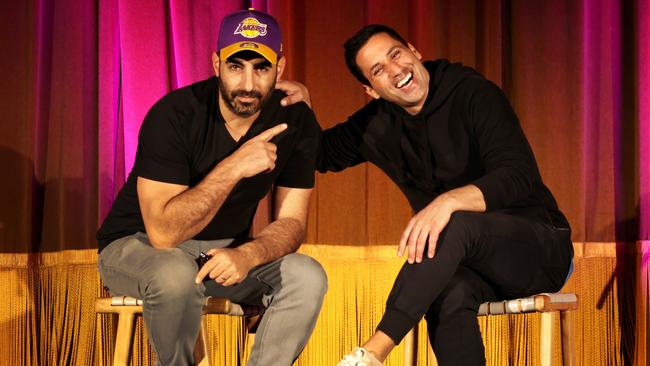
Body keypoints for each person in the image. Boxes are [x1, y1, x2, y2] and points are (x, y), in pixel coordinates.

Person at [280, 24, 573, 365]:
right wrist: (303, 106)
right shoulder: (377, 123)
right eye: (378, 70)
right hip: (473, 268)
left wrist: (448, 202)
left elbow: (519, 176)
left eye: (396, 55)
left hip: (538, 249)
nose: (396, 71)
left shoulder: (472, 93)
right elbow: (320, 154)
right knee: (446, 292)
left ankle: (373, 352)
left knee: (455, 223)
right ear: (371, 90)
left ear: (414, 51)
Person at [96, 9, 327, 366]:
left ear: (279, 69)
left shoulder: (295, 120)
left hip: (220, 254)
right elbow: (163, 234)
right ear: (216, 63)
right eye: (236, 66)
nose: (248, 83)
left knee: (306, 276)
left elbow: (293, 222)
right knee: (175, 273)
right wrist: (234, 166)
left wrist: (247, 255)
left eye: (261, 68)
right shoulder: (174, 115)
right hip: (138, 244)